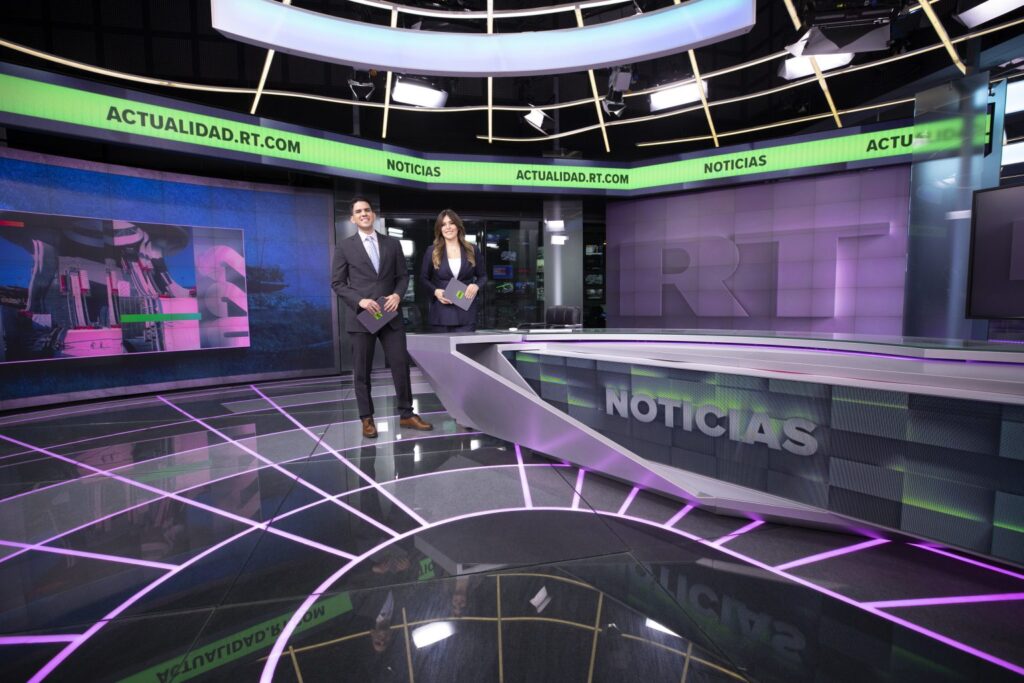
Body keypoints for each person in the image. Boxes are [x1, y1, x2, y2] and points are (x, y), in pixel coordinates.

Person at [332, 197, 433, 438]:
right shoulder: (344, 247)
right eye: (359, 211)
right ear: (352, 218)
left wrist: (398, 295)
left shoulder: (392, 244)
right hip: (362, 316)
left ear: (373, 214)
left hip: (389, 313)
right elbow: (337, 283)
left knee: (400, 365)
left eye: (367, 210)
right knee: (362, 371)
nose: (364, 214)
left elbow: (403, 276)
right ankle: (366, 418)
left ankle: (407, 414)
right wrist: (360, 301)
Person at [419, 209, 487, 332]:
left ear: (458, 226)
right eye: (443, 224)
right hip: (441, 315)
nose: (448, 227)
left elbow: (483, 276)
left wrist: (476, 286)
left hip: (466, 315)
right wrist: (435, 291)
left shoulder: (472, 249)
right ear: (439, 229)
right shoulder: (432, 251)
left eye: (451, 223)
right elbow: (423, 279)